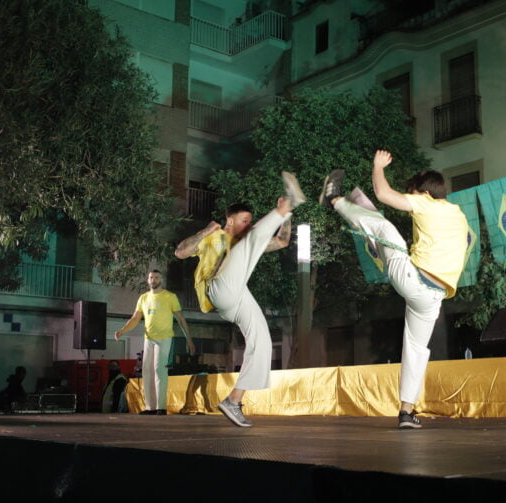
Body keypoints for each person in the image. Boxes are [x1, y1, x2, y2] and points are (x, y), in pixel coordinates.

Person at [320, 150, 469, 429]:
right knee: (416, 349)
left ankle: (334, 199)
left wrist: (378, 166)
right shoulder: (457, 213)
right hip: (433, 298)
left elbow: (384, 193)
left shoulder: (426, 203)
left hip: (413, 279)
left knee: (386, 228)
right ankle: (406, 412)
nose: (408, 199)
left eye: (410, 194)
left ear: (422, 193)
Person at [174, 172, 305, 427]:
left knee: (263, 342)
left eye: (250, 222)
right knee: (249, 242)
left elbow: (282, 241)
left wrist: (286, 217)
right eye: (244, 221)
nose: (247, 225)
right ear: (229, 220)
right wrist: (205, 230)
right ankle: (288, 205)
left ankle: (233, 400)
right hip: (218, 289)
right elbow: (180, 252)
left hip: (236, 296)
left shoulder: (247, 241)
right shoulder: (214, 237)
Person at [115, 270, 194, 415]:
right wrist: (122, 330)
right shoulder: (143, 298)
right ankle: (150, 407)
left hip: (164, 338)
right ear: (148, 280)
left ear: (161, 280)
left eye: (156, 277)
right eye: (151, 277)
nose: (153, 280)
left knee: (159, 370)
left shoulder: (170, 297)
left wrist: (188, 339)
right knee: (147, 372)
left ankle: (161, 407)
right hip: (148, 338)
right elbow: (135, 318)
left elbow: (181, 319)